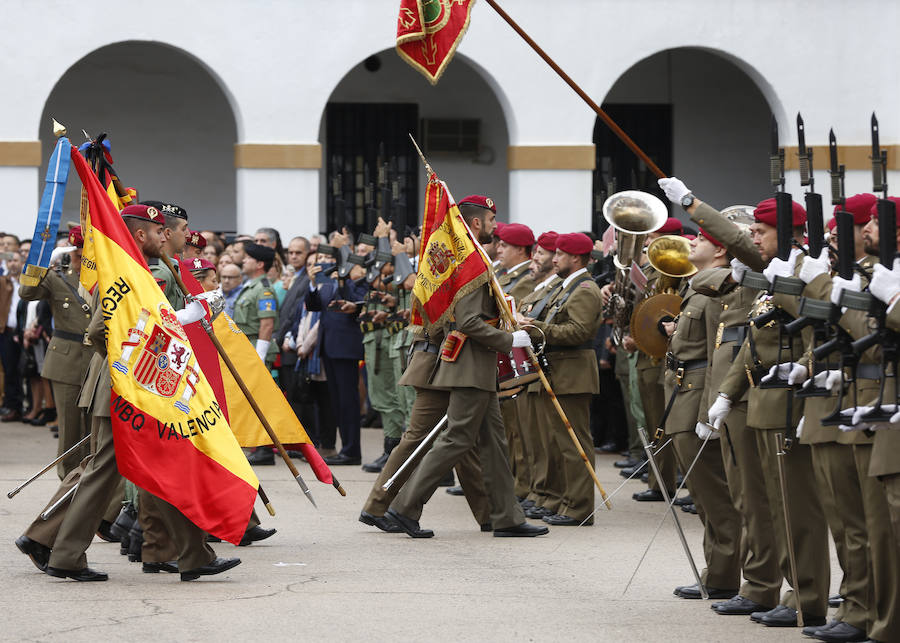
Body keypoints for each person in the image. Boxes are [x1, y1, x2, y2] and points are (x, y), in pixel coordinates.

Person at [15, 204, 239, 582]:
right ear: (140, 235)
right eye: (159, 231)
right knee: (106, 471)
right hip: (133, 388)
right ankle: (65, 552)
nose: (166, 236)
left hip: (137, 387)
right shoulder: (139, 272)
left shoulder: (139, 267)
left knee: (153, 467)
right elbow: (103, 328)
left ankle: (188, 553)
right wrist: (142, 354)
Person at [386, 194, 548, 539]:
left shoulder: (474, 257)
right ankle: (404, 508)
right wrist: (509, 341)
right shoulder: (472, 261)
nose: (494, 226)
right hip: (470, 367)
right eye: (491, 220)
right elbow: (469, 321)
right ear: (476, 222)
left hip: (478, 367)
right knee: (456, 439)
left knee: (494, 443)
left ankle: (506, 517)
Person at [520, 232, 603, 526]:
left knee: (574, 443)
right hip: (559, 371)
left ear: (575, 258)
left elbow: (578, 332)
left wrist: (534, 326)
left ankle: (579, 507)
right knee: (556, 443)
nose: (553, 259)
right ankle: (562, 500)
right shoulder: (566, 286)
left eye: (559, 254)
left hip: (573, 373)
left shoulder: (585, 289)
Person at [18, 227, 94, 477]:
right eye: (77, 255)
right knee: (70, 428)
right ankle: (69, 480)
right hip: (67, 360)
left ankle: (92, 480)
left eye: (86, 254)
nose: (81, 260)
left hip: (99, 359)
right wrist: (37, 262)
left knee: (95, 428)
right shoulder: (57, 277)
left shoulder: (106, 277)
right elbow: (26, 293)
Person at [305, 250, 368, 465]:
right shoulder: (325, 285)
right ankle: (345, 448)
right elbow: (313, 306)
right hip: (328, 346)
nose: (323, 264)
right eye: (319, 260)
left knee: (348, 401)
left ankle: (352, 450)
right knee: (338, 401)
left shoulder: (350, 280)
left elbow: (355, 301)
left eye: (327, 260)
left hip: (345, 347)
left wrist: (341, 278)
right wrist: (312, 284)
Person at [1, 250, 23, 421]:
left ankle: (22, 405)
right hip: (7, 332)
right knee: (9, 370)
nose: (13, 264)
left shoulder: (26, 282)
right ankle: (11, 405)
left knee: (27, 370)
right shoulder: (4, 282)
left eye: (16, 260)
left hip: (24, 332)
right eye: (10, 261)